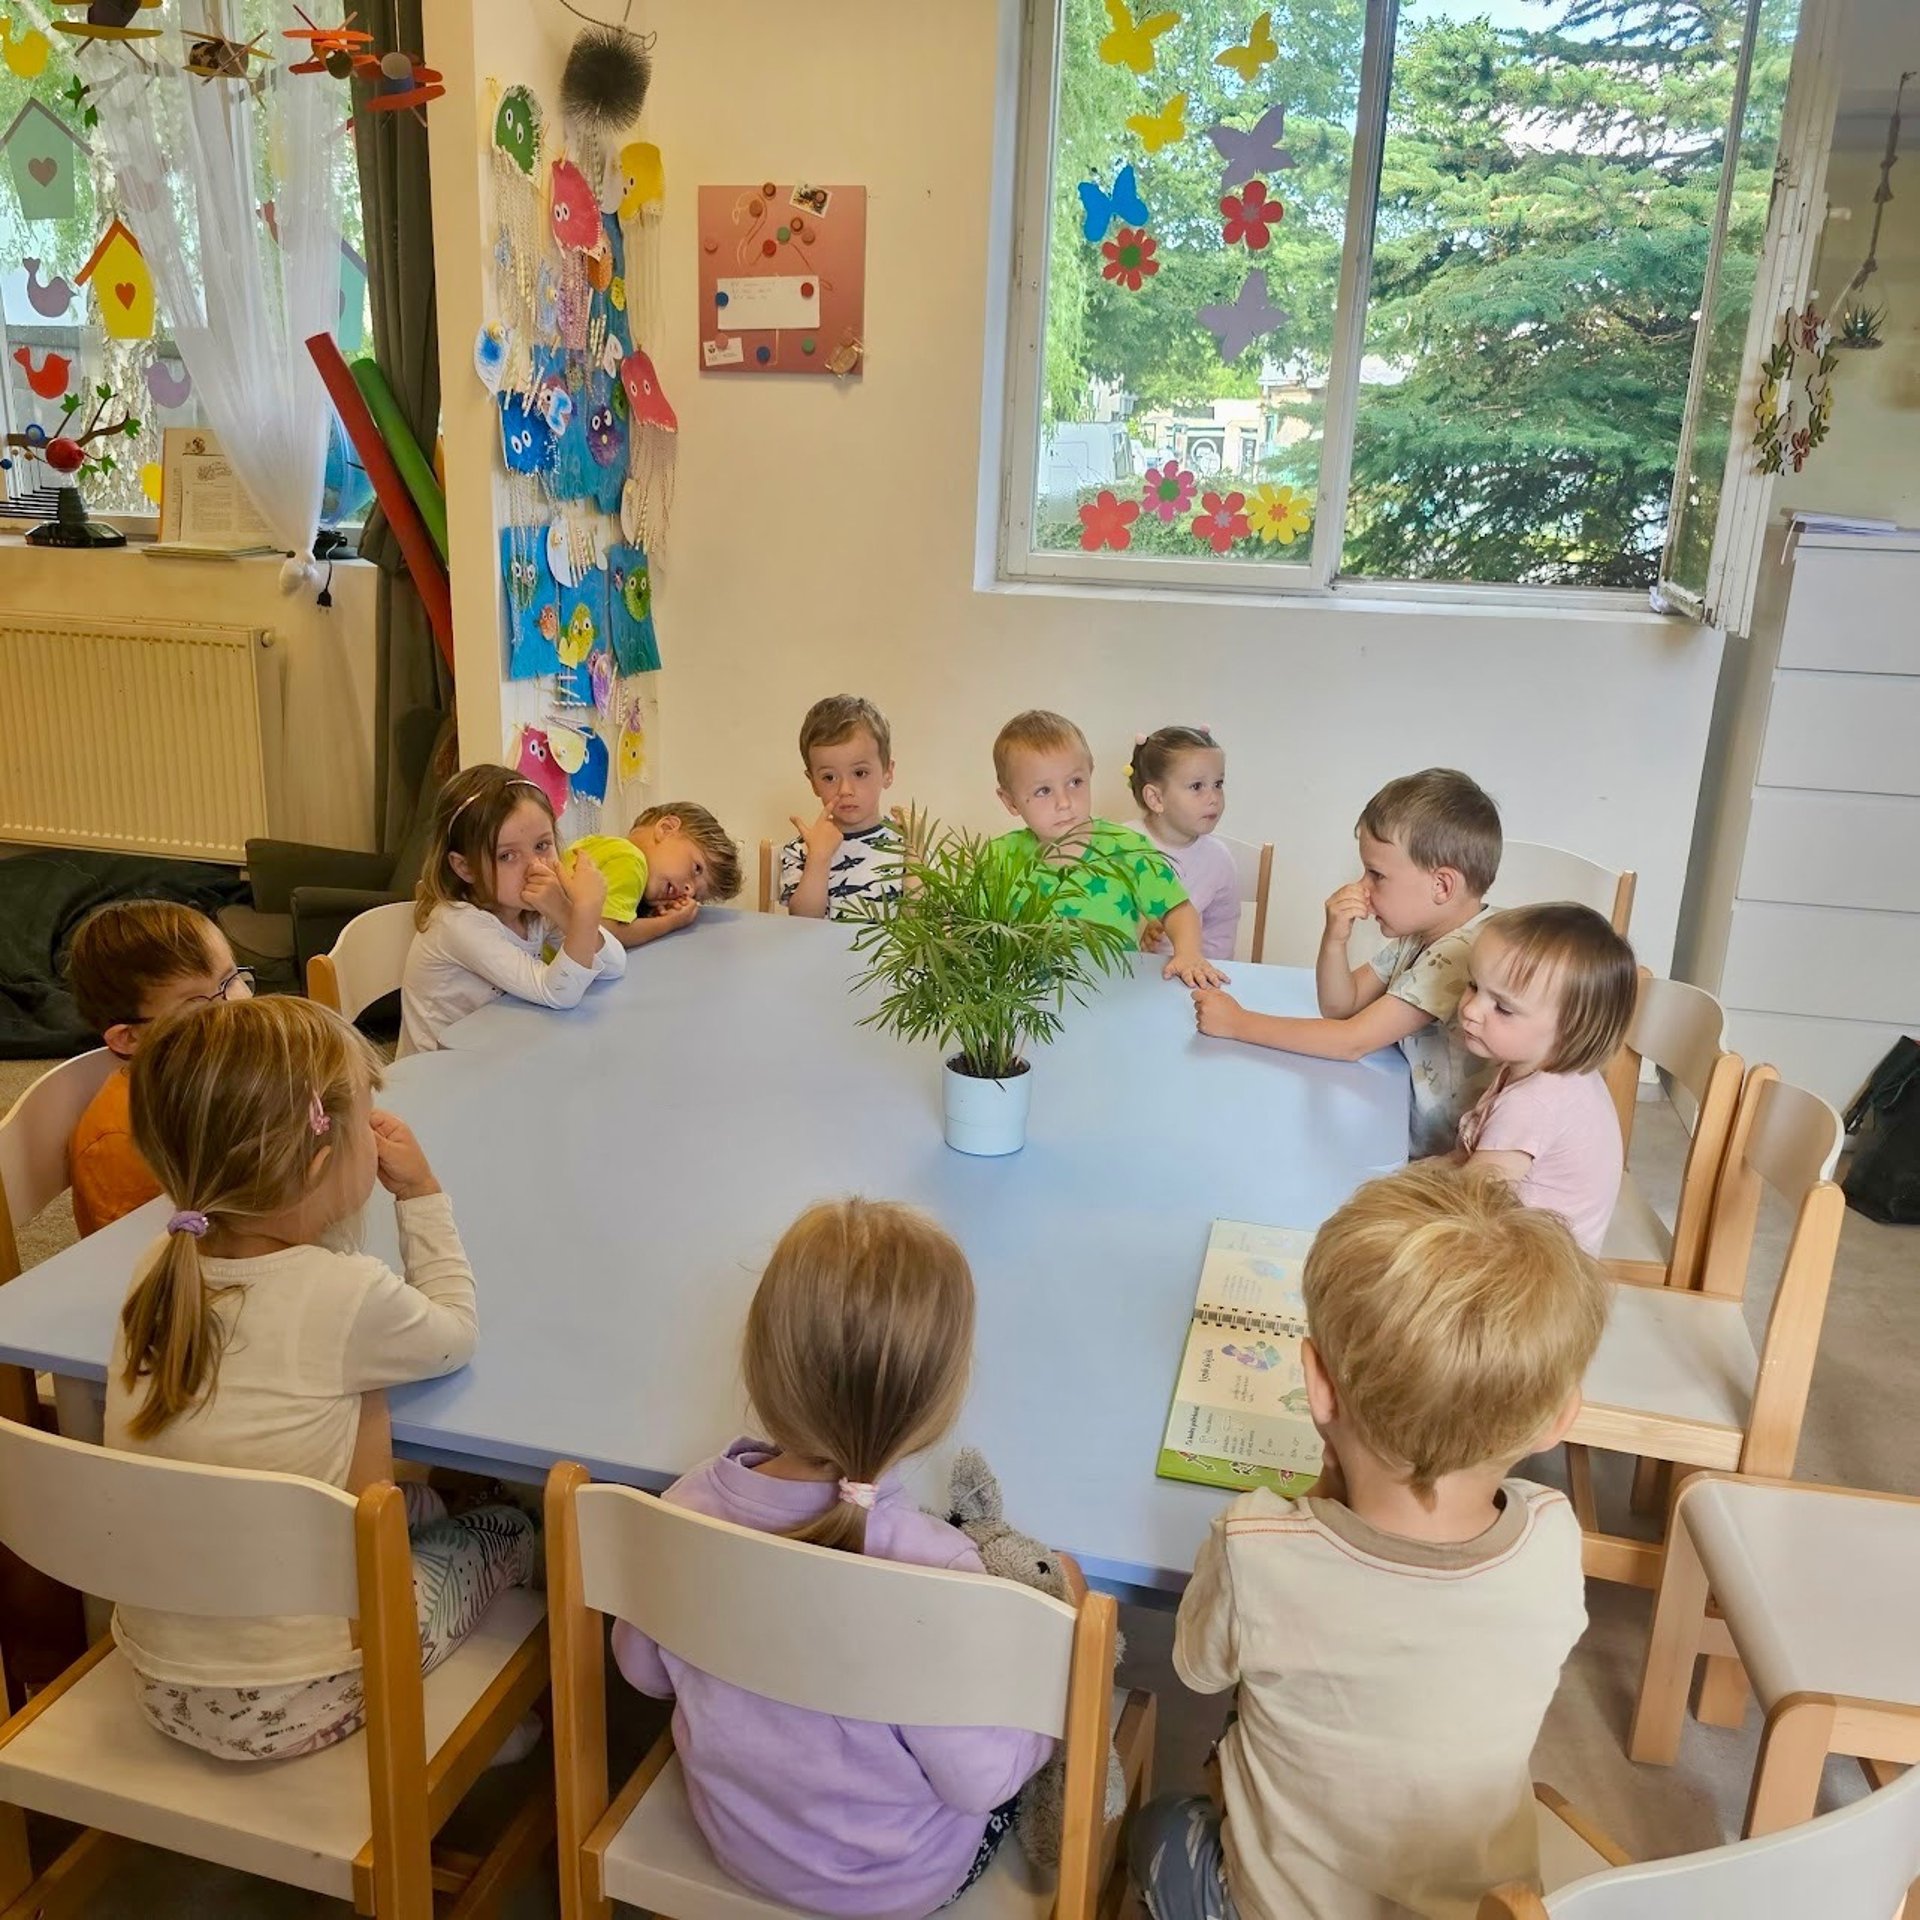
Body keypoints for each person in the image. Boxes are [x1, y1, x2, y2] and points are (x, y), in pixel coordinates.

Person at [1132, 1164, 1606, 1920]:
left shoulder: (1255, 1546)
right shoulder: (1554, 1537)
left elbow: (1195, 1666)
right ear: (1559, 1417)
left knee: (1158, 1824)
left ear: (1316, 1385)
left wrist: (1308, 1500)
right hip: (1479, 1904)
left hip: (1283, 1908)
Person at [105, 996, 536, 1762]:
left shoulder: (153, 1271)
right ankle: (466, 1718)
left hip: (161, 1682)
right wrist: (423, 1194)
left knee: (417, 1501)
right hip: (310, 1694)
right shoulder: (346, 1295)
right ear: (315, 1158)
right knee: (510, 1528)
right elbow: (454, 1335)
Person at [611, 1199, 1057, 1917]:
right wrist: (1041, 1707)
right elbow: (979, 1782)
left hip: (735, 1838)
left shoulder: (685, 1507)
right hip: (901, 1883)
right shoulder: (939, 1571)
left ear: (759, 1363)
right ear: (939, 1398)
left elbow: (641, 1671)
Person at [1193, 767, 1501, 1153]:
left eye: (1376, 875)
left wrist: (1238, 1023)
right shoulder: (1422, 936)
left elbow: (1351, 1041)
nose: (1362, 888)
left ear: (1441, 885)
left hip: (1440, 1160)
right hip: (1397, 1124)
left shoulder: (1458, 953)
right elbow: (1341, 1007)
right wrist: (1335, 940)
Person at [989, 709, 1228, 989]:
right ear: (1010, 801)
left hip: (1116, 994)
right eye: (1044, 791)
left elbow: (1178, 909)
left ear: (1090, 773)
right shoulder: (999, 857)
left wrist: (1188, 954)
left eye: (1075, 782)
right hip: (1031, 1006)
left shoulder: (1126, 848)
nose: (1064, 802)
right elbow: (967, 925)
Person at [1448, 903, 1637, 1253]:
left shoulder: (1533, 1104)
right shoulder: (1538, 1068)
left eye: (1503, 1008)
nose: (1470, 1009)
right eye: (1474, 985)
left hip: (1536, 1281)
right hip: (1543, 1254)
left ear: (1569, 1030)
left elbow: (1469, 1204)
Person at [399, 764, 625, 1055]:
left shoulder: (534, 905)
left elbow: (615, 966)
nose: (535, 866)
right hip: (441, 1078)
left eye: (543, 845)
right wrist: (585, 910)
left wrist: (563, 910)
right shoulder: (457, 923)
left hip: (500, 1050)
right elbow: (558, 993)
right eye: (507, 856)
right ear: (464, 866)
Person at [63, 901, 256, 1236]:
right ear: (130, 1037)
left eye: (230, 979)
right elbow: (144, 1261)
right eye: (196, 1005)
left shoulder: (224, 1069)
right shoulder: (123, 1141)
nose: (235, 1007)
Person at [779, 695, 904, 920]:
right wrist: (818, 858)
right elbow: (802, 923)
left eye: (860, 773)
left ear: (888, 773)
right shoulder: (800, 850)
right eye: (829, 777)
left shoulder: (908, 845)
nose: (845, 789)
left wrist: (916, 851)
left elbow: (923, 924)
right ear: (813, 783)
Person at [570, 801, 745, 948]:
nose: (689, 891)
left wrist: (651, 913)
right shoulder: (630, 860)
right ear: (666, 828)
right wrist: (668, 923)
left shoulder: (602, 846)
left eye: (696, 895)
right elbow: (598, 936)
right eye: (697, 868)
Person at [1131, 725, 1238, 962]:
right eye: (1197, 786)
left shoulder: (1218, 858)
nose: (1213, 798)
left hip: (1189, 980)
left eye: (1218, 784)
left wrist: (1200, 972)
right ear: (1156, 798)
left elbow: (1221, 933)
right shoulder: (1122, 846)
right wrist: (1140, 931)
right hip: (1127, 979)